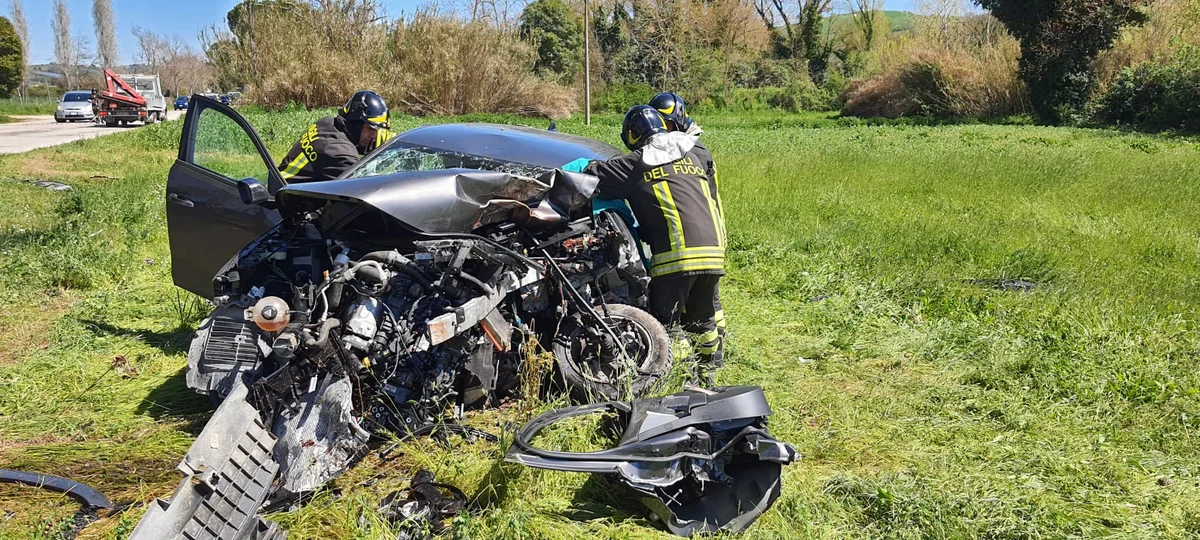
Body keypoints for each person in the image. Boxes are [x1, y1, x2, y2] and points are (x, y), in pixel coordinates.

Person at [581, 105, 727, 385]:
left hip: (676, 258)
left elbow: (592, 175)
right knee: (703, 318)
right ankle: (710, 374)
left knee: (668, 324)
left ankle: (682, 380)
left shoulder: (636, 163)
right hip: (713, 254)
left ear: (633, 136)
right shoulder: (693, 153)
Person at [648, 91, 725, 352]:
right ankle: (712, 359)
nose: (663, 132)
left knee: (700, 309)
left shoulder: (692, 151)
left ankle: (701, 361)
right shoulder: (689, 147)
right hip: (710, 237)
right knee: (706, 308)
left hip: (699, 238)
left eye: (667, 125)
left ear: (678, 119)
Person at [278, 90, 390, 183]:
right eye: (370, 129)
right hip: (289, 203)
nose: (373, 136)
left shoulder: (326, 123)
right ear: (356, 125)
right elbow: (363, 190)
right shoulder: (341, 154)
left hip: (280, 184)